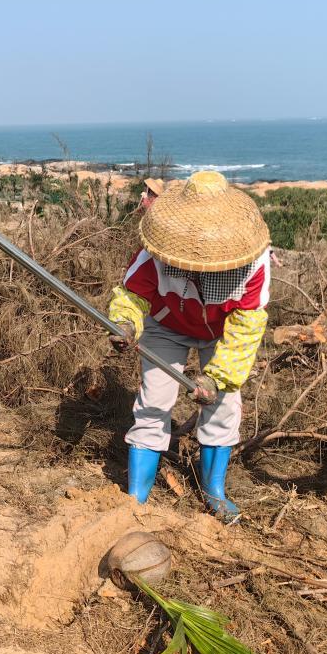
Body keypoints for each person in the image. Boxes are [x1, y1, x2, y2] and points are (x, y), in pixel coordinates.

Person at [107, 171, 271, 522]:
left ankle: (214, 491)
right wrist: (125, 325)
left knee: (224, 406)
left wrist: (218, 379)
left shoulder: (252, 267)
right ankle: (137, 497)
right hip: (166, 326)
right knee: (153, 402)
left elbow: (245, 328)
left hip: (222, 332)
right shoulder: (158, 255)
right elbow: (131, 296)